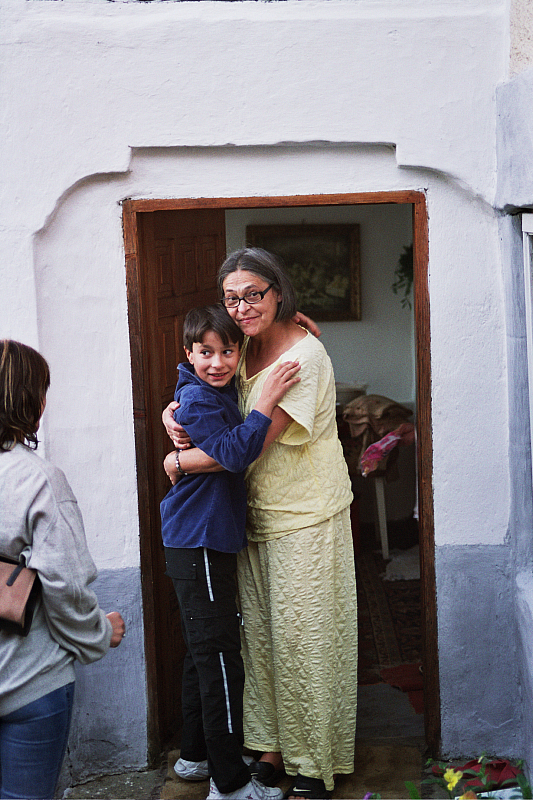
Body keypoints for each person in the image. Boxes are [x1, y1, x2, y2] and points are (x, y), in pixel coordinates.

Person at [163, 249, 358, 800]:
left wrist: (177, 461)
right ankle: (272, 747)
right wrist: (171, 413)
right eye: (232, 297)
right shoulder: (241, 346)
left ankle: (311, 761)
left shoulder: (306, 357)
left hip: (306, 515)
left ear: (279, 293)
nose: (242, 306)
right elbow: (197, 373)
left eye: (253, 294)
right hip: (251, 517)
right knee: (263, 642)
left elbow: (245, 447)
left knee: (306, 641)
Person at [161, 305, 300, 800]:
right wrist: (266, 401)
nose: (217, 362)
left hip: (202, 537)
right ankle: (232, 784)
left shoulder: (204, 391)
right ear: (188, 353)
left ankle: (196, 756)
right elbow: (237, 452)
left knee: (202, 655)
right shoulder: (196, 401)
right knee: (220, 659)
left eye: (227, 351)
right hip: (198, 538)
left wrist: (296, 326)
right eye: (205, 352)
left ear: (239, 352)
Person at [0, 340, 125, 800]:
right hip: (28, 684)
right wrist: (98, 633)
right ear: (28, 400)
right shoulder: (37, 480)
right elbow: (65, 585)